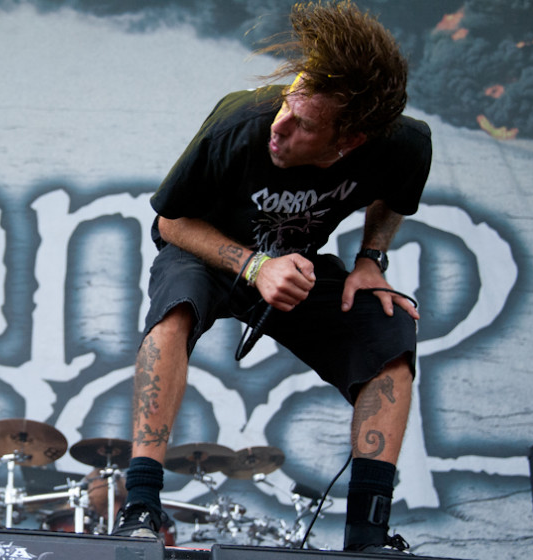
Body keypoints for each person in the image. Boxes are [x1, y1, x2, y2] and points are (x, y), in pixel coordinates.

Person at [112, 1, 431, 554]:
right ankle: (140, 506)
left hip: (297, 265)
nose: (280, 128)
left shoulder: (403, 143)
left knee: (390, 336)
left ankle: (368, 535)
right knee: (175, 308)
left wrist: (369, 261)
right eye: (287, 105)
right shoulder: (241, 122)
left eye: (304, 125)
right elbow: (170, 220)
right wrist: (254, 266)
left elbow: (392, 199)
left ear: (350, 140)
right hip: (207, 249)